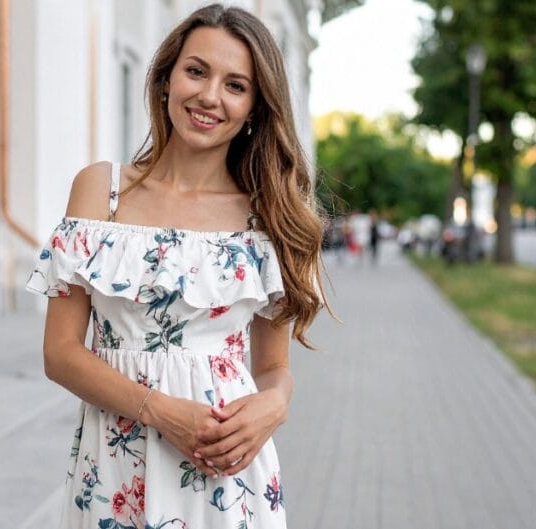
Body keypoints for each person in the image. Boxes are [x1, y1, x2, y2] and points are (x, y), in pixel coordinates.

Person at [25, 5, 328, 528]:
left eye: (236, 85)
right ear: (165, 80)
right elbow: (61, 353)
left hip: (224, 470)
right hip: (117, 463)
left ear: (255, 107)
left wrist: (274, 405)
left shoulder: (267, 214)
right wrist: (163, 412)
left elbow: (274, 368)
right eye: (196, 71)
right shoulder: (103, 192)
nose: (209, 96)